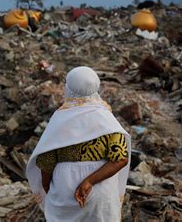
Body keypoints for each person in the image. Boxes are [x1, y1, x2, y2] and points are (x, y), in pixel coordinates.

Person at [26, 66, 131, 221]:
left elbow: (47, 162)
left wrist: (52, 190)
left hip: (65, 189)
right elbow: (120, 159)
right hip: (101, 191)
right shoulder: (107, 120)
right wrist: (89, 181)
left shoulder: (61, 119)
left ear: (68, 88)